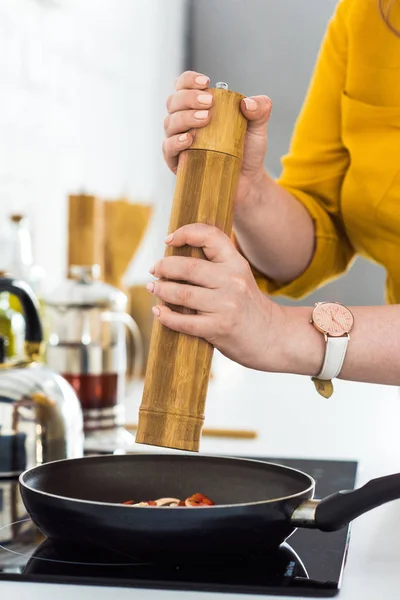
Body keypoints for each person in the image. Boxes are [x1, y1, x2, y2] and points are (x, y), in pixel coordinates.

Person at [146, 0, 400, 396]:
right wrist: (247, 192)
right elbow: (320, 227)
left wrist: (279, 331)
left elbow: (276, 331)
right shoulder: (365, 15)